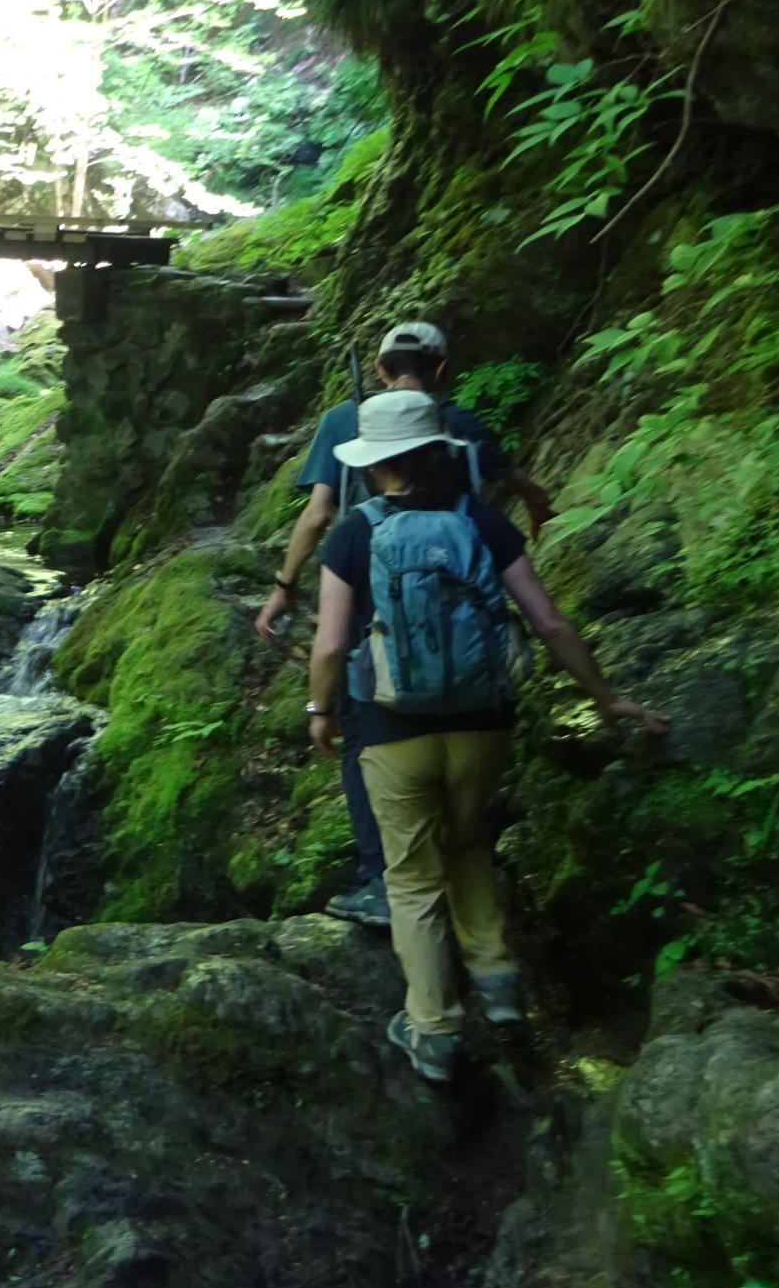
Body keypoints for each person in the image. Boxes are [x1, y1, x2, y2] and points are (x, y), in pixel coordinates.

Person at [306, 390, 669, 1084]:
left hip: (390, 728)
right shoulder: (481, 519)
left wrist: (319, 711)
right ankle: (499, 984)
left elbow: (328, 644)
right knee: (468, 841)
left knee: (410, 877)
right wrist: (607, 696)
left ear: (376, 463)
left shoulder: (354, 530)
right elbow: (550, 623)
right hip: (483, 721)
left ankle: (435, 1029)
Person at [256, 322, 556, 932]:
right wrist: (536, 507)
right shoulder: (464, 425)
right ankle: (464, 882)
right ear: (444, 369)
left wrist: (284, 586)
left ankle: (379, 880)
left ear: (377, 365)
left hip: (376, 618)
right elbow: (518, 484)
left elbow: (318, 514)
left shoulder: (348, 420)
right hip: (471, 630)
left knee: (366, 742)